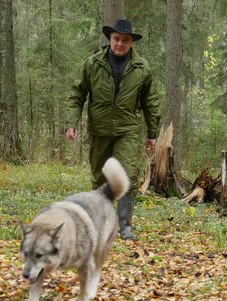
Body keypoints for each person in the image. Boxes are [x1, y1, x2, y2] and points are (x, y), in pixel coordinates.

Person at [65, 19, 161, 240]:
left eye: (125, 40)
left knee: (127, 176)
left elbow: (151, 101)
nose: (120, 44)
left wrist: (152, 133)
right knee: (99, 178)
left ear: (131, 43)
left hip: (127, 129)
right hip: (99, 129)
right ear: (110, 39)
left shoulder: (141, 68)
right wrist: (71, 123)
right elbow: (77, 95)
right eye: (116, 39)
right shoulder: (92, 64)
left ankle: (125, 226)